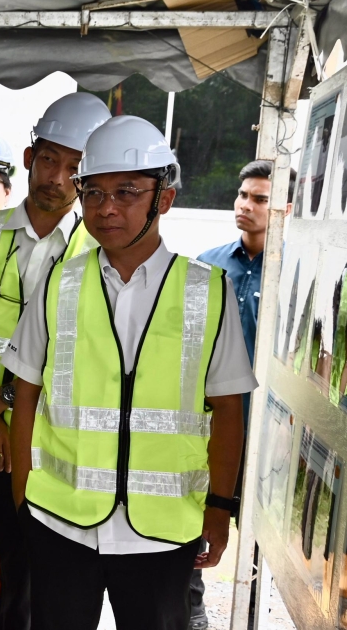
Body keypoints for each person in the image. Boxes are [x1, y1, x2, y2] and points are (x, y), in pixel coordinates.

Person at [7, 115, 256, 630]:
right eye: (93, 193)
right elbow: (25, 390)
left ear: (162, 198)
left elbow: (228, 407)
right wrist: (22, 492)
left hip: (162, 529)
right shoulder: (59, 283)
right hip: (60, 520)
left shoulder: (207, 291)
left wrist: (219, 507)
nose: (107, 208)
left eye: (126, 192)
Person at [0, 92, 111, 630]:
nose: (57, 177)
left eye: (74, 167)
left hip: (41, 447)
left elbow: (79, 353)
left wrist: (5, 406)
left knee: (27, 596)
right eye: (49, 159)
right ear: (28, 155)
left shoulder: (99, 252)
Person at [190, 159, 294, 629]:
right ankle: (190, 607)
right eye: (242, 196)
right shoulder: (206, 266)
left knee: (257, 528)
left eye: (260, 199)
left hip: (273, 428)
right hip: (210, 421)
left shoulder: (293, 273)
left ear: (285, 209)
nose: (245, 206)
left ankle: (251, 611)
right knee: (194, 512)